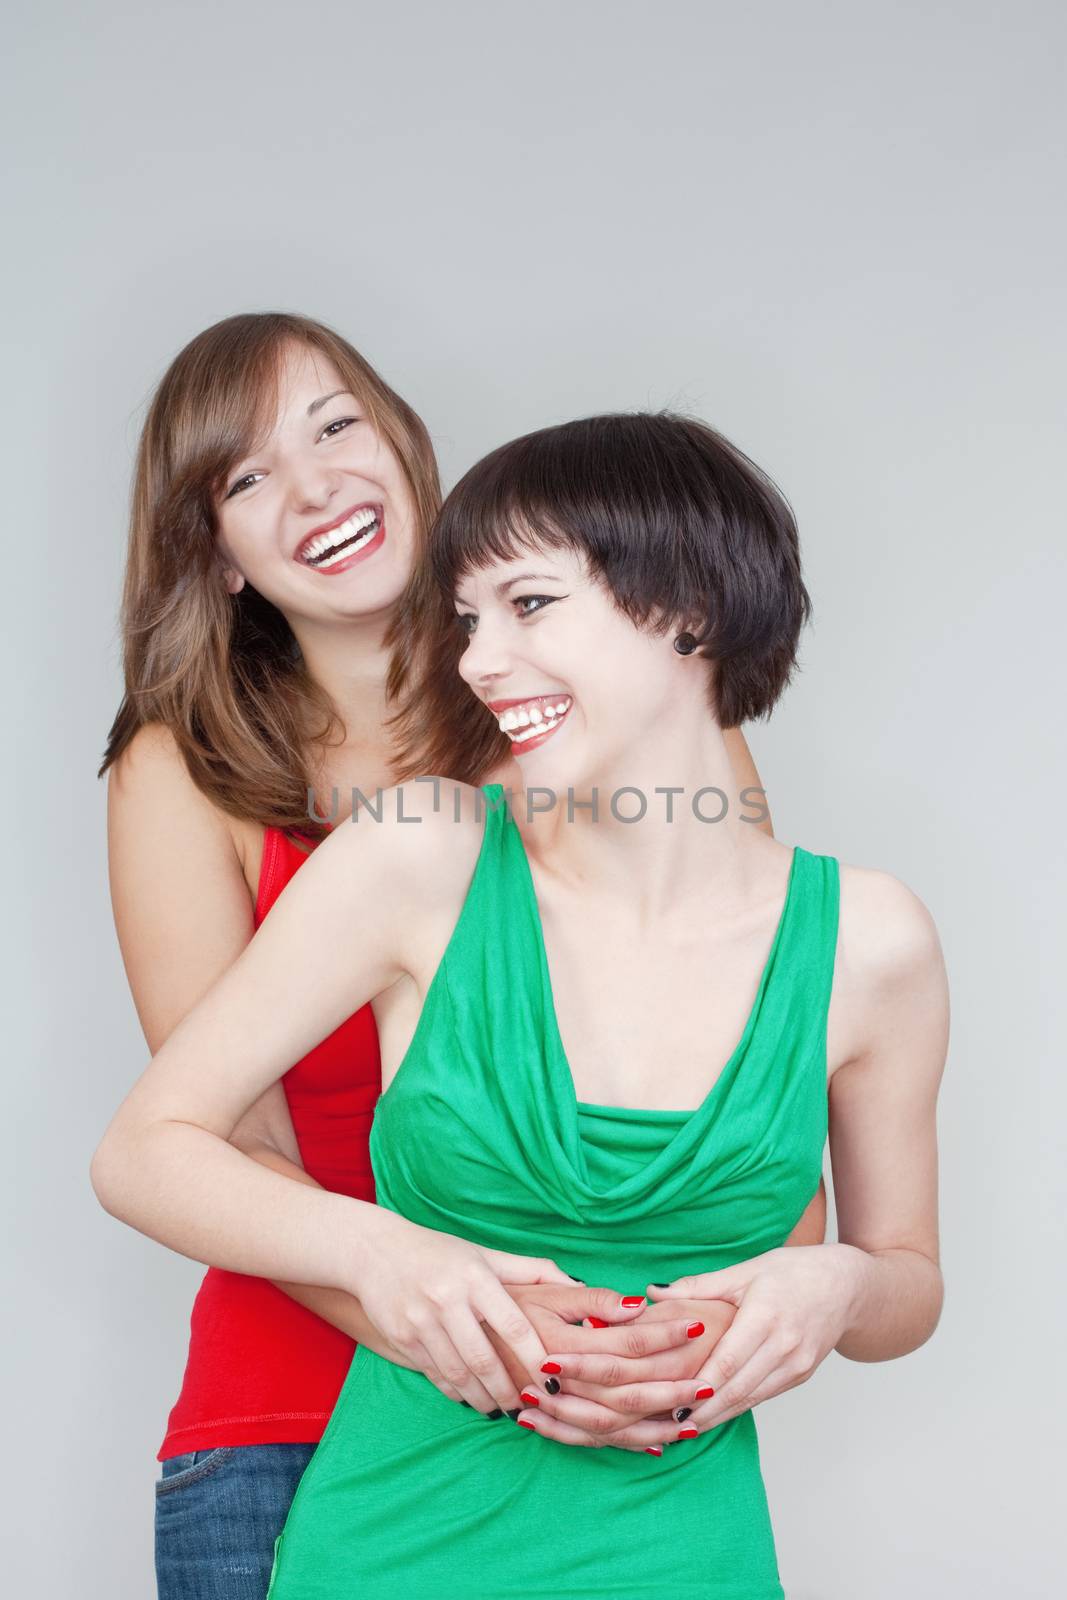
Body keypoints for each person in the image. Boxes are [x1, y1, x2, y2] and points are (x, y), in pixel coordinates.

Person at [98, 317, 825, 1597]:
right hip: (290, 1425)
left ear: (405, 447)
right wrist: (459, 1333)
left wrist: (661, 1353)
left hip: (601, 1431)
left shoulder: (635, 723)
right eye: (248, 476)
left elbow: (748, 1085)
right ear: (212, 556)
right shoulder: (181, 771)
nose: (315, 486)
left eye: (335, 426)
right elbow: (224, 1143)